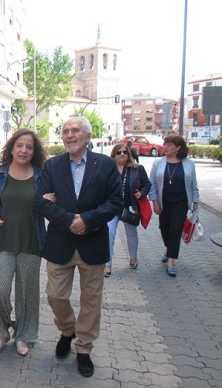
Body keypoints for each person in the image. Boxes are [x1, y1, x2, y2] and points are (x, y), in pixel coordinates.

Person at [36, 116, 122, 378]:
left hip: (92, 242)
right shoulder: (52, 165)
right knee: (55, 295)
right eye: (65, 131)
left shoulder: (105, 165)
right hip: (60, 242)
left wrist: (86, 220)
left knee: (91, 301)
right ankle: (67, 330)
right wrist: (69, 220)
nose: (70, 135)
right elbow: (41, 202)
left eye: (75, 131)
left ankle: (84, 349)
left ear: (87, 136)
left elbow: (116, 202)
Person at [0, 128, 47, 356]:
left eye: (29, 146)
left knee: (27, 293)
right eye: (19, 145)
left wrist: (49, 200)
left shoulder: (41, 174)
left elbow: (53, 202)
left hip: (31, 241)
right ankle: (2, 332)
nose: (24, 150)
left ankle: (24, 335)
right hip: (2, 240)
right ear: (12, 147)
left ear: (34, 151)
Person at [148, 134, 199, 277]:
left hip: (181, 202)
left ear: (178, 148)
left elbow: (193, 184)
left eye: (169, 145)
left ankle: (171, 260)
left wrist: (195, 201)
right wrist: (154, 202)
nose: (165, 147)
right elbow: (151, 184)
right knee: (164, 228)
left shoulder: (189, 164)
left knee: (176, 229)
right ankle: (168, 249)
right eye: (165, 144)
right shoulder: (158, 162)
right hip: (164, 202)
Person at [105, 143, 151, 276]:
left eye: (125, 152)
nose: (122, 154)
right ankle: (107, 264)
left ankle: (133, 257)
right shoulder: (108, 169)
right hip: (112, 208)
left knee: (131, 234)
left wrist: (141, 193)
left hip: (130, 207)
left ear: (129, 154)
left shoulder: (137, 169)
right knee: (109, 233)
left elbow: (147, 184)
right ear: (113, 155)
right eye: (118, 152)